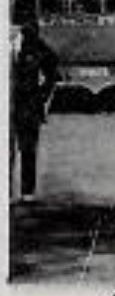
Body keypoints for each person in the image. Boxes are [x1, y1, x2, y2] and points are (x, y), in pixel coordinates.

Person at [11, 22, 59, 202]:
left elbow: (53, 65)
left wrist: (41, 95)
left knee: (28, 149)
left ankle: (27, 192)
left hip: (27, 105)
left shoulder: (33, 42)